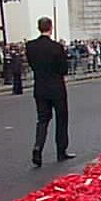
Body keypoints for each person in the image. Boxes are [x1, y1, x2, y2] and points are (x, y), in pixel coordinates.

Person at [25, 17, 75, 167]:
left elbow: (32, 65)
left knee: (42, 120)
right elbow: (63, 69)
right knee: (61, 119)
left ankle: (38, 147)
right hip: (56, 88)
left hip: (40, 87)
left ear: (38, 27)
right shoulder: (56, 47)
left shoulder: (30, 46)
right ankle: (61, 150)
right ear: (51, 28)